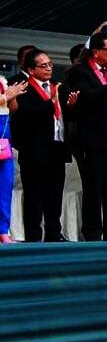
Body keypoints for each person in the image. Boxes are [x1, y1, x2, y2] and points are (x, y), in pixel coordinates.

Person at [63, 31, 107, 241]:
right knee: (94, 187)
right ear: (95, 52)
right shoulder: (80, 72)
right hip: (94, 139)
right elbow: (86, 99)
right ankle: (92, 230)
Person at [10, 50, 71, 241]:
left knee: (55, 194)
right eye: (43, 66)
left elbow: (63, 114)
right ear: (30, 69)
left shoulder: (56, 86)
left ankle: (54, 233)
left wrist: (69, 105)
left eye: (50, 64)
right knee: (34, 194)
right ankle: (34, 235)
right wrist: (50, 104)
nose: (48, 68)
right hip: (34, 148)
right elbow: (23, 115)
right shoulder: (22, 87)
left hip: (57, 146)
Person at [0, 77, 28, 243]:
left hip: (3, 139)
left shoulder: (2, 81)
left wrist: (13, 96)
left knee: (5, 185)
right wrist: (6, 96)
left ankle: (3, 230)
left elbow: (13, 109)